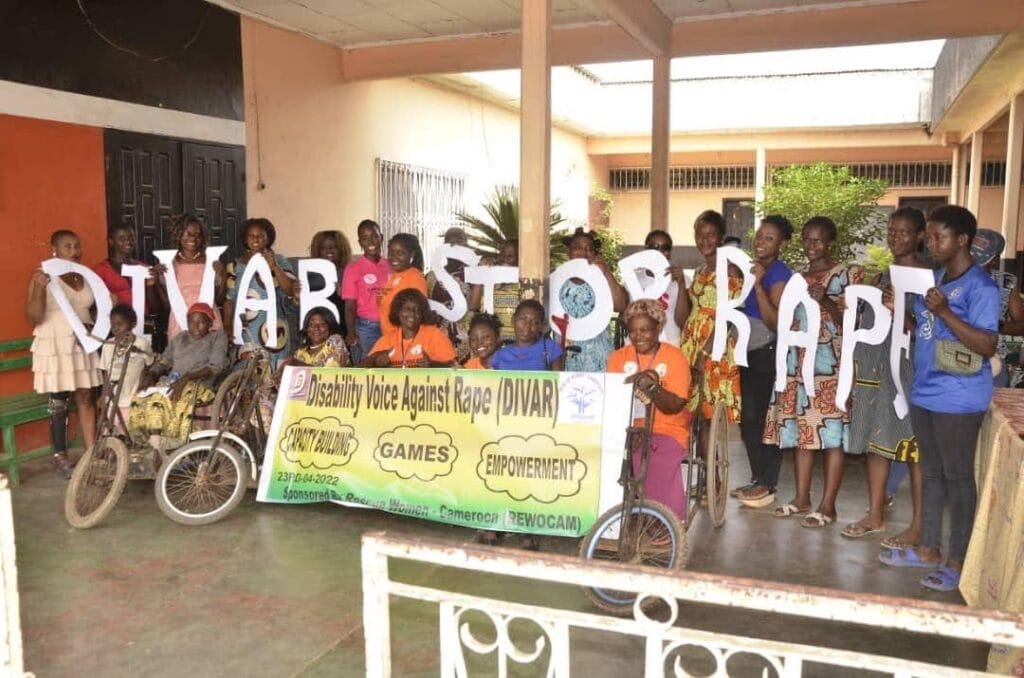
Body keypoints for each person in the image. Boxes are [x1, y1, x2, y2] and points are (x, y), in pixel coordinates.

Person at [879, 206, 999, 592]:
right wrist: (902, 313)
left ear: (962, 240)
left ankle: (958, 560)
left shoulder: (981, 287)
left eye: (937, 237)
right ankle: (928, 548)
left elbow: (986, 343)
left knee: (958, 478)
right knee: (930, 472)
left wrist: (945, 311)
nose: (930, 243)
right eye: (928, 236)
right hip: (927, 389)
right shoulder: (938, 277)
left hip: (960, 397)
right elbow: (924, 329)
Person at [764, 216, 862, 529]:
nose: (811, 246)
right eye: (807, 239)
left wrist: (828, 303)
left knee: (832, 436)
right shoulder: (797, 278)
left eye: (818, 240)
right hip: (798, 364)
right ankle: (801, 498)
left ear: (830, 242)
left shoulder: (850, 274)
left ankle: (828, 505)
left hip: (831, 365)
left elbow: (856, 323)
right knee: (803, 433)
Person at [842, 208, 928, 542]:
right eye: (891, 231)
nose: (895, 237)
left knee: (914, 448)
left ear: (920, 236)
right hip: (875, 370)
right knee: (876, 444)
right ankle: (874, 513)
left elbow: (930, 332)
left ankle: (919, 524)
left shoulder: (929, 279)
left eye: (904, 232)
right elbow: (866, 329)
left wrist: (902, 313)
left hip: (911, 373)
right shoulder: (880, 278)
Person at [607, 299, 692, 521]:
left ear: (658, 328)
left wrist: (652, 386)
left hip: (667, 428)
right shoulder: (618, 358)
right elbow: (612, 399)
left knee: (654, 456)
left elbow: (674, 407)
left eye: (645, 330)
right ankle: (616, 520)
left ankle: (667, 521)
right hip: (627, 427)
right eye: (633, 331)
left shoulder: (675, 357)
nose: (638, 336)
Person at [27, 230, 101, 477]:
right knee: (59, 401)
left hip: (83, 342)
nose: (74, 251)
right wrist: (39, 289)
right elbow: (34, 317)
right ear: (54, 250)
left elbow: (95, 307)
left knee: (86, 396)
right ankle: (59, 455)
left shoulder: (86, 276)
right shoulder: (43, 276)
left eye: (77, 246)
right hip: (56, 342)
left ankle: (91, 451)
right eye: (67, 246)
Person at [736, 216, 794, 508]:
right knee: (748, 421)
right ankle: (757, 479)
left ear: (782, 244)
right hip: (747, 352)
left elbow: (775, 322)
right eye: (759, 235)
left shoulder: (779, 274)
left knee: (762, 420)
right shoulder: (754, 268)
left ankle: (767, 483)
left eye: (769, 238)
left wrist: (758, 285)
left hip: (766, 352)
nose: (761, 241)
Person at [679, 210, 742, 459]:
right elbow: (687, 313)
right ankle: (705, 478)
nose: (705, 240)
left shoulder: (731, 271)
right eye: (700, 235)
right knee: (693, 416)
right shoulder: (699, 271)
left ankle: (711, 482)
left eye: (710, 235)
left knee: (707, 417)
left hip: (712, 345)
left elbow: (727, 315)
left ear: (721, 237)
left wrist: (705, 353)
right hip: (692, 344)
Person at [130, 302, 228, 450]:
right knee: (140, 397)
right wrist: (152, 374)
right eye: (191, 322)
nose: (195, 326)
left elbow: (216, 366)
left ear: (210, 323)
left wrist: (187, 378)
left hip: (200, 384)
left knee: (161, 400)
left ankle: (168, 442)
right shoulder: (180, 338)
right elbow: (164, 361)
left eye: (201, 322)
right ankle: (148, 441)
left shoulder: (217, 337)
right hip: (173, 381)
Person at [223, 218, 297, 368]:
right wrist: (228, 325)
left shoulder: (280, 261)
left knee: (275, 371)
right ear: (245, 238)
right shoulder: (234, 266)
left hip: (275, 328)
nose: (256, 239)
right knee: (249, 372)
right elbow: (229, 300)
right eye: (251, 235)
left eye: (261, 235)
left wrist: (274, 267)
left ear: (268, 238)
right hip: (245, 328)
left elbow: (290, 290)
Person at [559, 228, 627, 372]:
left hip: (599, 353)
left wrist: (606, 272)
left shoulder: (601, 278)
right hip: (566, 354)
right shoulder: (558, 280)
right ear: (569, 252)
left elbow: (620, 305)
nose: (583, 252)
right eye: (577, 247)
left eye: (589, 249)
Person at [155, 215, 226, 340]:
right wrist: (157, 278)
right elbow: (166, 302)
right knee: (182, 356)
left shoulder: (210, 262)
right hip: (179, 318)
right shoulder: (169, 263)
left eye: (197, 234)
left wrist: (222, 274)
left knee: (211, 356)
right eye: (188, 234)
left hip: (209, 318)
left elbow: (219, 299)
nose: (193, 238)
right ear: (178, 235)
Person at [969, 228, 1024, 387]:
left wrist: (998, 324)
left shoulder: (1006, 282)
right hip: (957, 358)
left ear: (995, 260)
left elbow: (1021, 325)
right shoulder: (948, 277)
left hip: (990, 363)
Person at [364, 289, 456, 368]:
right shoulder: (388, 339)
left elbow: (453, 366)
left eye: (417, 310)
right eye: (407, 309)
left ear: (422, 314)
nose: (412, 313)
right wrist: (375, 360)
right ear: (398, 312)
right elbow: (362, 367)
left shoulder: (434, 335)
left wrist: (432, 365)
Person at [341, 220, 390, 365]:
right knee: (370, 365)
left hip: (391, 325)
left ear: (381, 237)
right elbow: (350, 304)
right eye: (365, 238)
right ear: (360, 242)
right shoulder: (353, 268)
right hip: (367, 327)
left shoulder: (390, 265)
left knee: (391, 365)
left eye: (374, 236)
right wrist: (351, 332)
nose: (370, 241)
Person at [98, 305, 154, 424]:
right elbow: (106, 372)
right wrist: (103, 396)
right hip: (113, 399)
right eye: (113, 325)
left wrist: (143, 386)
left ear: (133, 325)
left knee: (131, 429)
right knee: (113, 430)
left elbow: (149, 366)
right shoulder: (108, 345)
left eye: (120, 324)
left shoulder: (142, 344)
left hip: (133, 397)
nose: (115, 328)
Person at [428, 227, 472, 360]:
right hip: (438, 334)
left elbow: (477, 307)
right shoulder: (431, 277)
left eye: (459, 243)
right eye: (450, 244)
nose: (454, 248)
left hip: (467, 336)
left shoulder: (474, 274)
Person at [638, 230, 687, 345]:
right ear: (646, 250)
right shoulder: (634, 279)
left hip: (671, 343)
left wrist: (681, 284)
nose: (659, 252)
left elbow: (683, 322)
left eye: (665, 247)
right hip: (639, 344)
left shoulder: (681, 279)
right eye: (655, 247)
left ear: (670, 252)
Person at [92, 225, 157, 307]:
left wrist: (150, 284)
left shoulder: (144, 267)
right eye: (122, 239)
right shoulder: (100, 270)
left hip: (144, 318)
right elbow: (95, 303)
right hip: (117, 318)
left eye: (131, 238)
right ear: (111, 241)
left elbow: (154, 305)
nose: (128, 242)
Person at [376, 233, 428, 338]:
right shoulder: (394, 276)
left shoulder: (415, 278)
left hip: (404, 341)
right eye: (391, 252)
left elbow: (416, 316)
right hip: (388, 337)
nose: (393, 257)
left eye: (400, 253)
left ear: (411, 255)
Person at [468, 240, 520, 342]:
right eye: (501, 255)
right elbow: (473, 306)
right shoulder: (490, 279)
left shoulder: (523, 282)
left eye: (510, 256)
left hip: (516, 342)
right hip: (493, 342)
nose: (504, 260)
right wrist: (482, 271)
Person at [491, 300, 564, 371]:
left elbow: (559, 381)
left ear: (540, 326)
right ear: (513, 320)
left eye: (535, 322)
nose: (527, 325)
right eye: (523, 319)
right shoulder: (500, 355)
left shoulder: (551, 348)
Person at [306, 230, 352, 339]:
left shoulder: (349, 272)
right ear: (318, 251)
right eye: (323, 248)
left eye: (333, 246)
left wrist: (344, 295)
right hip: (318, 325)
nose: (328, 251)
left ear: (341, 249)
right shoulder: (311, 274)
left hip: (341, 324)